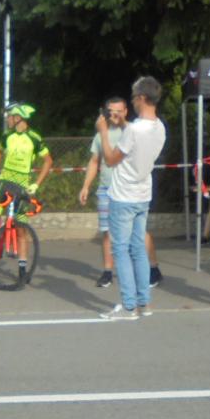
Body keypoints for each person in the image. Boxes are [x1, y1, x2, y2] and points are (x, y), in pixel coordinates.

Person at [96, 77, 166, 320]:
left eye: (135, 97)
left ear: (142, 98)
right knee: (138, 249)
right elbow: (137, 135)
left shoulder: (134, 130)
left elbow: (110, 159)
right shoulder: (159, 127)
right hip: (142, 194)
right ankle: (144, 303)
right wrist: (122, 122)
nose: (133, 101)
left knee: (121, 250)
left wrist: (103, 132)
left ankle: (128, 306)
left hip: (123, 195)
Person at [79, 97, 161, 288]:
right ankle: (108, 271)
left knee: (138, 231)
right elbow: (95, 161)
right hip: (107, 188)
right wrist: (86, 186)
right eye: (111, 111)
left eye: (118, 111)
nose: (114, 115)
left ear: (125, 112)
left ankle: (153, 268)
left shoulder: (134, 131)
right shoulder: (101, 135)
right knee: (107, 231)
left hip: (130, 189)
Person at [0, 103, 53, 278]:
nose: (7, 119)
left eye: (10, 116)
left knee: (21, 229)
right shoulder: (7, 136)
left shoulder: (34, 138)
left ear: (18, 118)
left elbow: (48, 161)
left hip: (22, 184)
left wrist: (36, 184)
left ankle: (22, 268)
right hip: (4, 182)